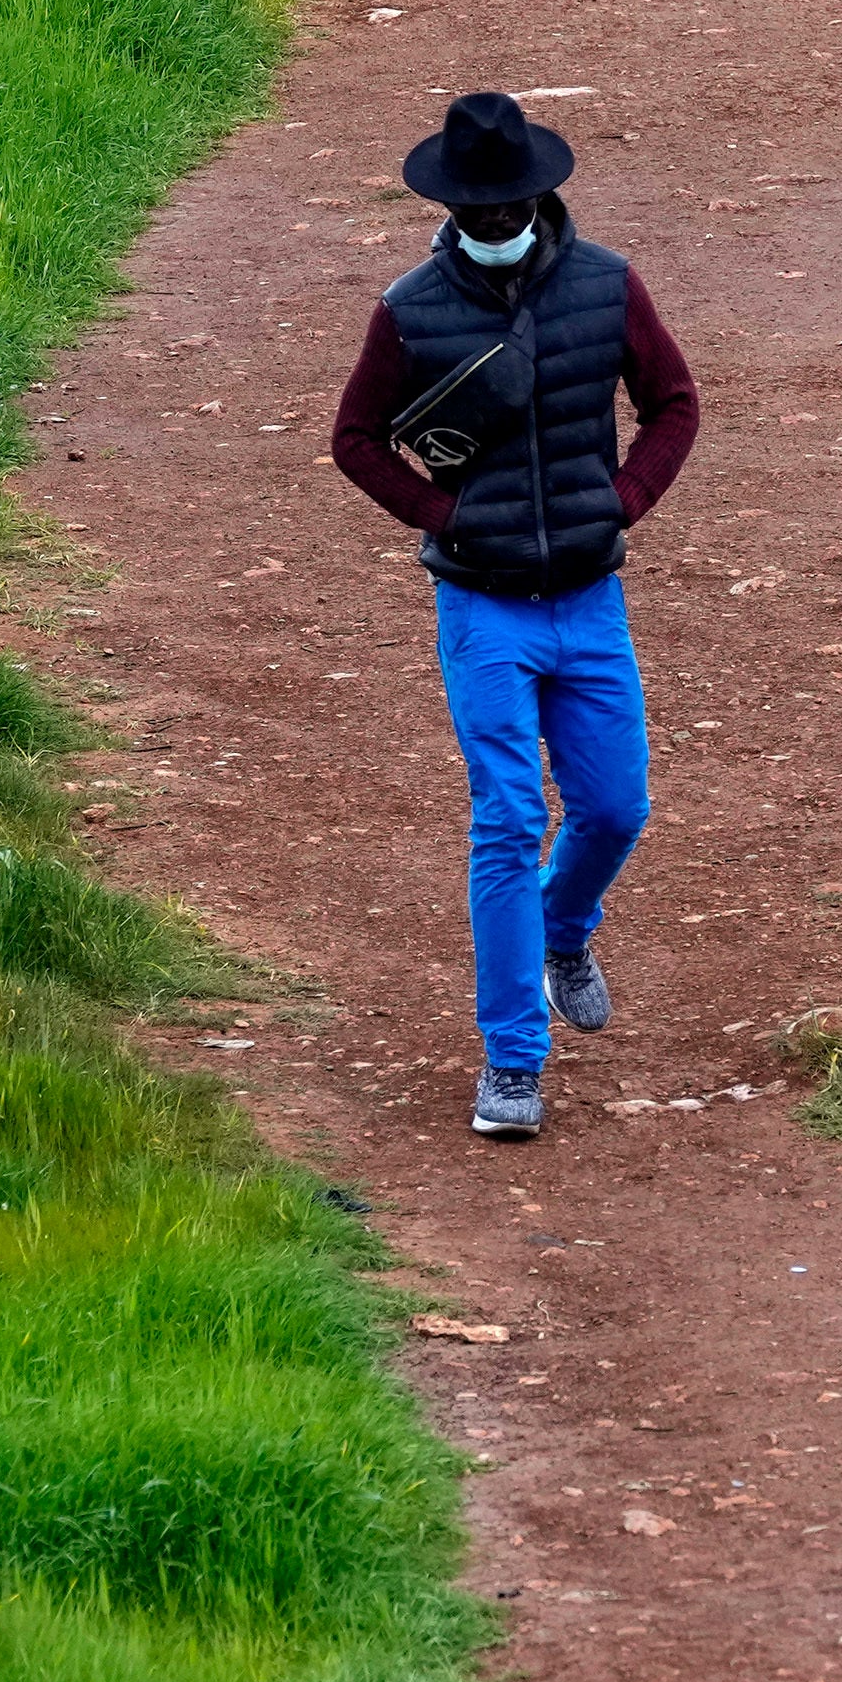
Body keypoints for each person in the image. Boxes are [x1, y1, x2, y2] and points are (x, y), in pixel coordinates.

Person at [326, 90, 703, 1142]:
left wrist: (622, 501)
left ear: (540, 191)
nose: (495, 219)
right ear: (448, 205)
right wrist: (446, 516)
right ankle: (511, 1063)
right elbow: (354, 439)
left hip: (590, 598)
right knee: (504, 821)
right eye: (476, 206)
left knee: (616, 809)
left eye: (509, 202)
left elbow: (674, 402)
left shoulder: (607, 286)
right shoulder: (407, 310)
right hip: (482, 608)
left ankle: (562, 930)